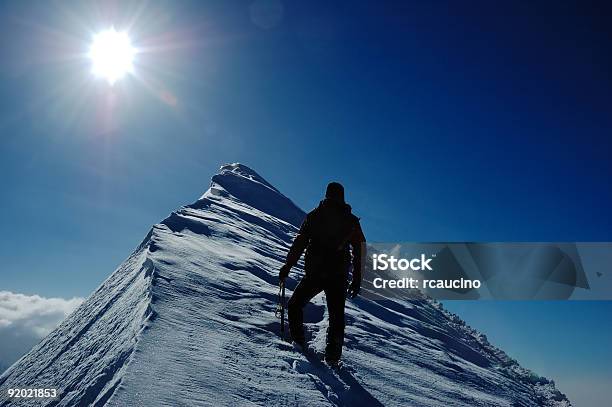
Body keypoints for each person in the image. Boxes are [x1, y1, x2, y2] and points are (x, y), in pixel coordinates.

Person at [278, 182, 366, 365]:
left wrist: (288, 266)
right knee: (337, 317)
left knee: (295, 305)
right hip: (338, 276)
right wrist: (356, 280)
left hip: (315, 273)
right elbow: (359, 252)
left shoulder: (315, 216)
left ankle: (298, 342)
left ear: (326, 194)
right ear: (342, 197)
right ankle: (332, 358)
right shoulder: (351, 222)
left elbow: (300, 243)